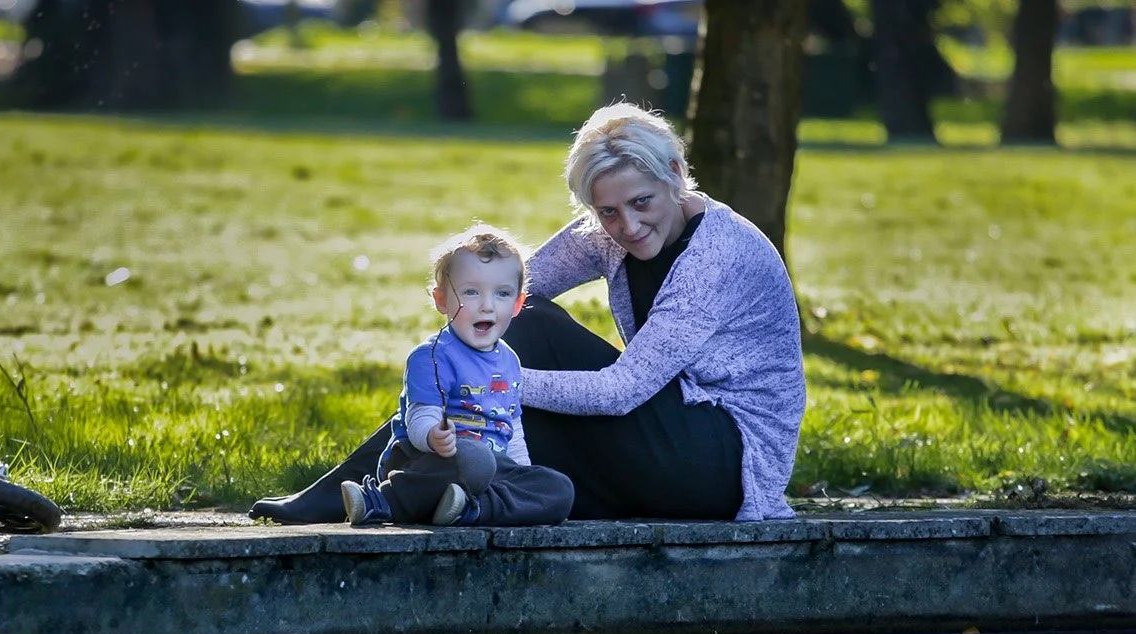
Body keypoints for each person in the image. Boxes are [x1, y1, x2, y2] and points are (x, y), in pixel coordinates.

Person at [251, 102, 804, 524]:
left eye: (642, 203)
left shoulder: (719, 252)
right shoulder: (607, 232)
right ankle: (402, 492)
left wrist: (494, 382)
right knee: (515, 314)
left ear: (676, 173)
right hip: (670, 434)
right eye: (607, 211)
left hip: (727, 460)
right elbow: (505, 292)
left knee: (526, 330)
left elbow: (621, 391)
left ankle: (353, 488)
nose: (628, 227)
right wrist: (467, 364)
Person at [339, 225, 574, 528]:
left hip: (488, 468)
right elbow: (420, 416)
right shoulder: (433, 356)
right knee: (475, 460)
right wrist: (433, 436)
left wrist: (521, 474)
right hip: (429, 460)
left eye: (502, 294)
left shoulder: (509, 361)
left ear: (517, 304)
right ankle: (382, 501)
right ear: (441, 300)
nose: (487, 305)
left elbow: (511, 426)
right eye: (471, 292)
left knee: (559, 488)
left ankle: (471, 510)